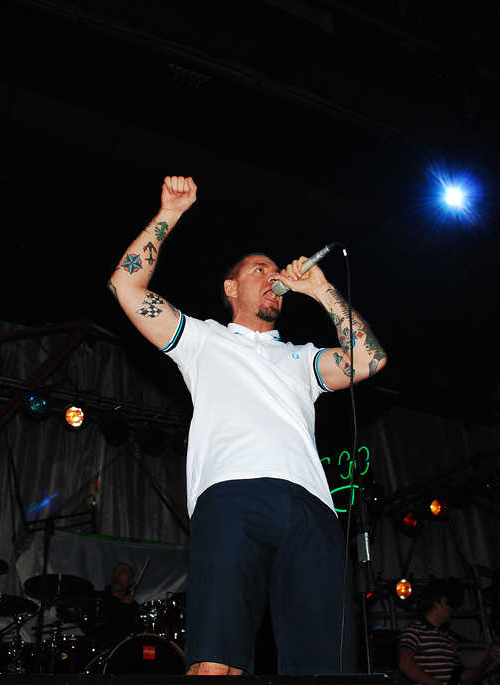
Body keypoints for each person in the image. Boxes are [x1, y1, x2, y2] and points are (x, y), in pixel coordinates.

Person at [108, 176, 387, 675]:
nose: (273, 277)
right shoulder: (202, 339)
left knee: (327, 668)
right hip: (234, 496)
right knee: (218, 664)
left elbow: (370, 360)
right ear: (231, 288)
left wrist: (320, 289)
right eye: (260, 270)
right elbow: (125, 287)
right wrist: (169, 213)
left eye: (276, 271)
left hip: (314, 509)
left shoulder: (302, 358)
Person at [398, 583, 500, 685]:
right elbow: (405, 664)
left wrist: (490, 666)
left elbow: (458, 676)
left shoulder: (447, 639)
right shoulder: (414, 631)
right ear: (436, 605)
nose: (450, 608)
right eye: (446, 603)